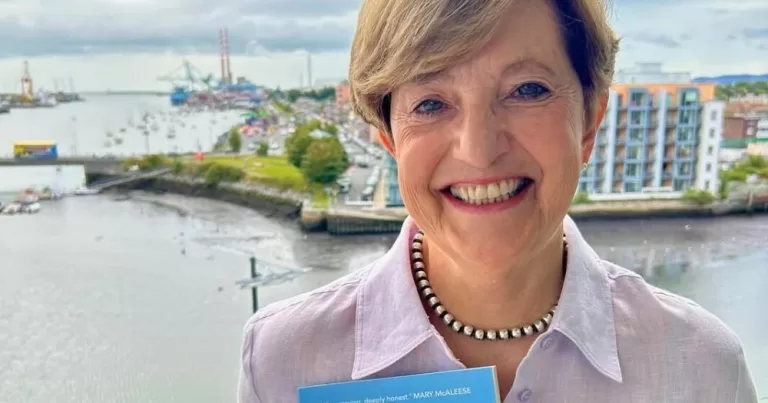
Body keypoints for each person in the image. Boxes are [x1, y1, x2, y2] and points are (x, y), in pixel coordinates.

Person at [238, 0, 758, 401]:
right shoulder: (284, 361)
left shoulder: (701, 367)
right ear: (390, 139)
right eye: (431, 102)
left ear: (590, 122)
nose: (479, 151)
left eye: (527, 90)